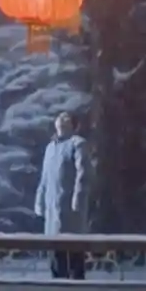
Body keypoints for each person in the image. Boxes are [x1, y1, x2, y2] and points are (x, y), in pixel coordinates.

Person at [34, 111, 90, 280]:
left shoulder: (78, 144)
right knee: (55, 253)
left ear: (73, 125)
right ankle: (57, 284)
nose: (61, 119)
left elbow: (83, 174)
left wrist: (77, 200)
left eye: (66, 117)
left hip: (70, 210)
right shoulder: (50, 147)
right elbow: (44, 178)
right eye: (60, 117)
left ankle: (76, 285)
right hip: (52, 209)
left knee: (73, 252)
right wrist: (39, 201)